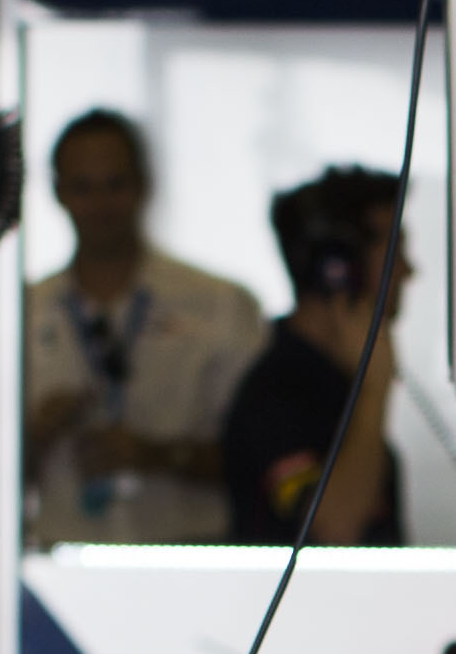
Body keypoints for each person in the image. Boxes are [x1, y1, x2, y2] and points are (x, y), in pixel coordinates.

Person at [18, 111, 268, 551]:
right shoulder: (26, 311)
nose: (101, 205)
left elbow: (267, 456)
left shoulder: (219, 304)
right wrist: (36, 433)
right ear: (58, 192)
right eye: (83, 187)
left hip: (192, 551)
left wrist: (158, 456)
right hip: (65, 554)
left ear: (144, 185)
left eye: (115, 184)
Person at [222, 167, 410, 547]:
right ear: (336, 268)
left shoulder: (333, 382)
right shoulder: (275, 394)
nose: (408, 271)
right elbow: (335, 529)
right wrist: (374, 387)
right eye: (395, 250)